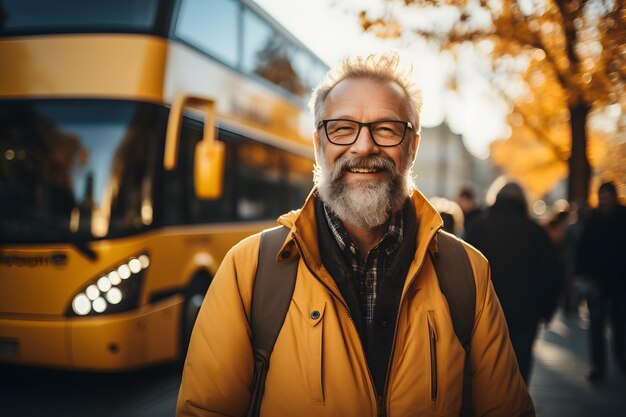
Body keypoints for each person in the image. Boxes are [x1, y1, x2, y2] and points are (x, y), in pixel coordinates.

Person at [177, 53, 534, 417]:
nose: (364, 146)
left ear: (412, 147)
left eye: (386, 128)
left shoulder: (468, 272)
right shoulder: (248, 270)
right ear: (319, 145)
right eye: (343, 128)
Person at [465, 182, 562, 386]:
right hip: (525, 311)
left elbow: (463, 271)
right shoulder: (535, 231)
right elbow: (551, 272)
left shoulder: (478, 229)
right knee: (520, 367)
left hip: (485, 311)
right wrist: (547, 309)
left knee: (485, 369)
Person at [577, 181, 626, 381]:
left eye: (607, 197)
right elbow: (583, 250)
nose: (605, 201)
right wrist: (582, 276)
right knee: (596, 325)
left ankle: (621, 360)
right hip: (597, 283)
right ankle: (598, 364)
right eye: (602, 197)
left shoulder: (623, 217)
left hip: (621, 283)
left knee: (620, 326)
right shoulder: (593, 219)